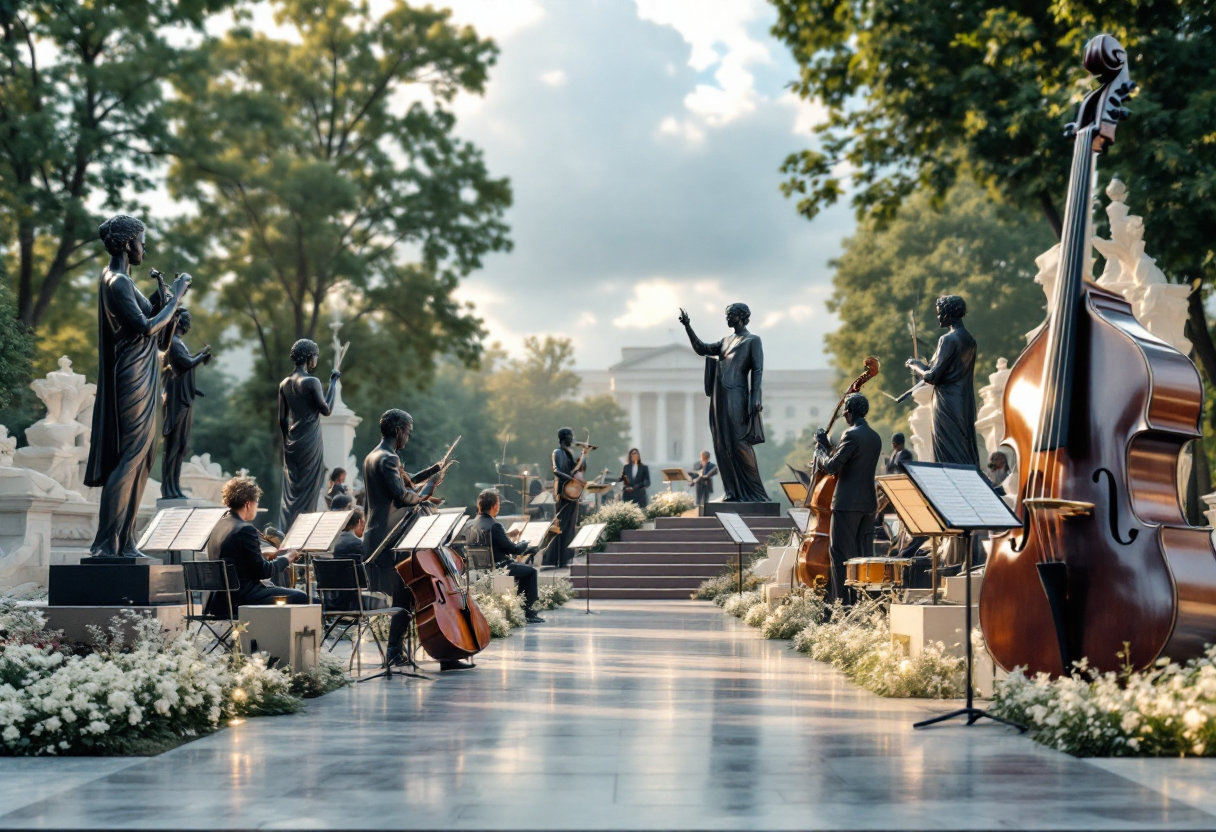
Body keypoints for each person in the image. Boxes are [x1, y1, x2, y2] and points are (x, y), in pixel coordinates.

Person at [85, 215, 190, 557]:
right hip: (131, 376)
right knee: (130, 457)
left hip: (146, 371)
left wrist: (168, 307)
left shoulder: (126, 283)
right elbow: (145, 327)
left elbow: (160, 342)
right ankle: (105, 544)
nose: (145, 248)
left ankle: (126, 542)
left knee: (145, 459)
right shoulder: (116, 281)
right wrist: (175, 299)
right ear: (129, 244)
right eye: (142, 241)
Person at [361, 409, 442, 667]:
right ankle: (394, 651)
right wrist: (428, 490)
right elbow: (401, 496)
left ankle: (396, 651)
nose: (408, 436)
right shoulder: (388, 458)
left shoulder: (375, 455)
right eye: (407, 431)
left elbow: (400, 484)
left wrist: (429, 473)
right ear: (398, 431)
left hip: (376, 536)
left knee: (404, 593)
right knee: (405, 593)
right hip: (388, 540)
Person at [678, 303, 769, 503]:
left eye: (731, 314)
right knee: (722, 443)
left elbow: (757, 370)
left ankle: (756, 493)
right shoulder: (725, 341)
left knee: (739, 442)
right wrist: (688, 327)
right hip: (719, 396)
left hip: (737, 396)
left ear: (741, 316)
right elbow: (702, 349)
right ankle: (732, 492)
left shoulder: (753, 340)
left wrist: (756, 397)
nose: (727, 318)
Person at [815, 393, 882, 603]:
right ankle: (863, 604)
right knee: (864, 557)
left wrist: (821, 453)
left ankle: (843, 607)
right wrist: (828, 446)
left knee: (840, 557)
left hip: (846, 503)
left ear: (851, 413)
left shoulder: (851, 434)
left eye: (845, 411)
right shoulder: (874, 437)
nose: (843, 414)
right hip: (868, 504)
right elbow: (849, 459)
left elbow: (832, 466)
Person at [206, 476, 306, 616]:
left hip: (220, 600)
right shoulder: (245, 529)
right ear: (248, 504)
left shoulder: (218, 526)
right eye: (256, 503)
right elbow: (262, 572)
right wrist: (288, 558)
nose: (256, 507)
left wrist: (261, 555)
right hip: (244, 598)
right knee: (304, 598)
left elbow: (233, 559)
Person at [905, 295, 979, 466]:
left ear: (948, 313)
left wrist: (915, 365)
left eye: (939, 313)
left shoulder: (947, 339)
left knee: (949, 450)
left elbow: (931, 376)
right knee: (963, 446)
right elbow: (944, 367)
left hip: (947, 401)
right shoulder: (970, 340)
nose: (938, 317)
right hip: (964, 400)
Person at [278, 338, 339, 540]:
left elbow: (282, 418)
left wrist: (287, 440)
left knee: (294, 490)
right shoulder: (311, 382)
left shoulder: (284, 384)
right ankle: (301, 537)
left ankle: (287, 534)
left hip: (292, 442)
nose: (316, 360)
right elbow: (327, 410)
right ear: (308, 356)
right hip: (309, 441)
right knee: (309, 489)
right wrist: (332, 383)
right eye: (315, 356)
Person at [467, 489, 546, 623]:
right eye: (498, 504)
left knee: (522, 569)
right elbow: (513, 549)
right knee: (530, 572)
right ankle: (527, 611)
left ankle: (523, 608)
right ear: (494, 506)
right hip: (498, 568)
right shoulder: (495, 525)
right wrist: (525, 543)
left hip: (478, 568)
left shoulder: (472, 524)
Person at [160, 307, 211, 500]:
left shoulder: (178, 343)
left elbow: (184, 369)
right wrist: (202, 354)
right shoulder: (173, 343)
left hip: (185, 397)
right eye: (186, 319)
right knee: (174, 444)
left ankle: (174, 486)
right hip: (177, 401)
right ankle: (168, 488)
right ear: (178, 321)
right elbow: (186, 364)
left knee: (181, 445)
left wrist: (194, 389)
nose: (188, 323)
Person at [538, 428, 583, 568]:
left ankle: (566, 559)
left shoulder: (569, 454)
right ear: (565, 437)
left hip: (572, 493)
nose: (573, 439)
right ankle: (552, 559)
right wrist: (570, 478)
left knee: (570, 527)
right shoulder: (557, 452)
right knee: (560, 526)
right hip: (563, 492)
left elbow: (576, 470)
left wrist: (583, 456)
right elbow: (556, 470)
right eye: (571, 436)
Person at [325, 507, 384, 612]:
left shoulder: (335, 543)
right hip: (353, 602)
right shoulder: (358, 544)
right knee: (384, 600)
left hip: (331, 600)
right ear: (360, 522)